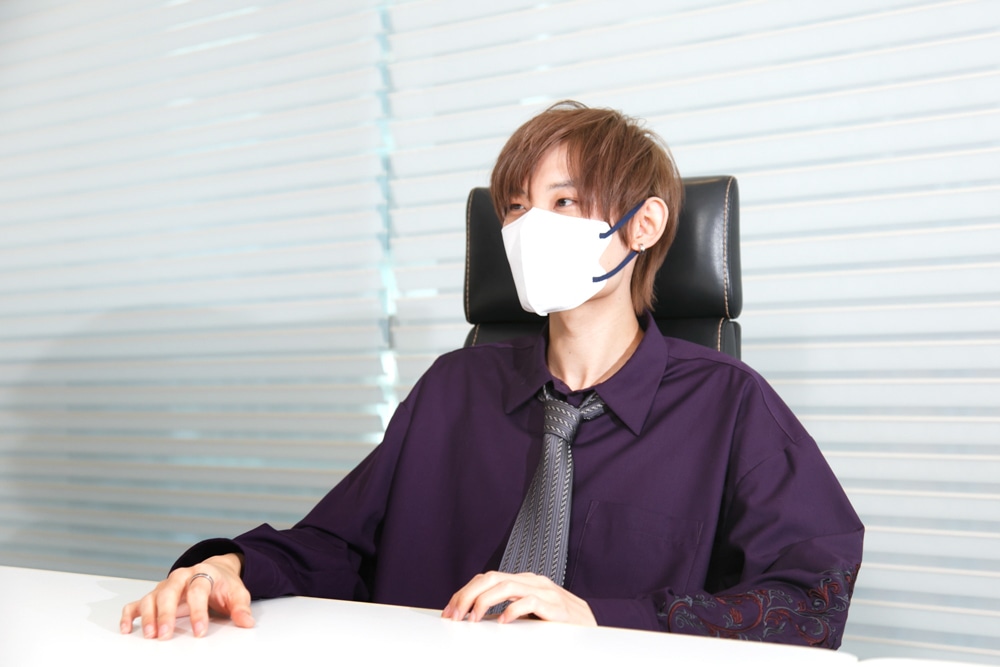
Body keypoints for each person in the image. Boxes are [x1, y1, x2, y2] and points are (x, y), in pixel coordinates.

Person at [121, 100, 864, 648]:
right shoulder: (453, 388)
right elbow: (339, 546)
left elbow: (810, 602)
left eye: (564, 201)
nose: (531, 227)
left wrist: (600, 617)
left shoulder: (730, 404)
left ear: (644, 225)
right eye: (515, 208)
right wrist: (228, 565)